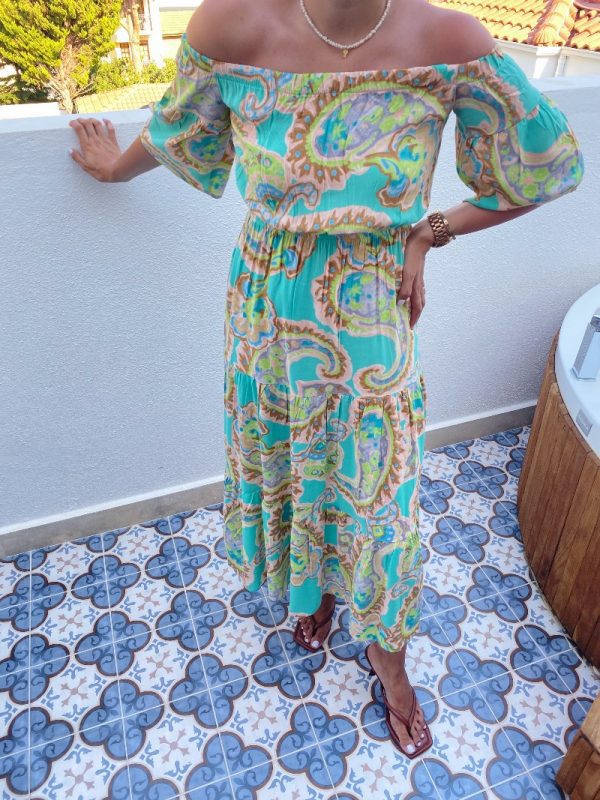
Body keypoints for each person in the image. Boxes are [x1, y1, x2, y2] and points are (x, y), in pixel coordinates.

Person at [68, 0, 585, 759]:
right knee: (291, 464)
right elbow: (180, 125)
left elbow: (543, 164)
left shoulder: (449, 39)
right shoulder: (228, 25)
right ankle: (313, 591)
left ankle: (389, 659)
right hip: (265, 309)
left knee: (380, 496)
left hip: (371, 311)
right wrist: (115, 167)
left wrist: (429, 232)